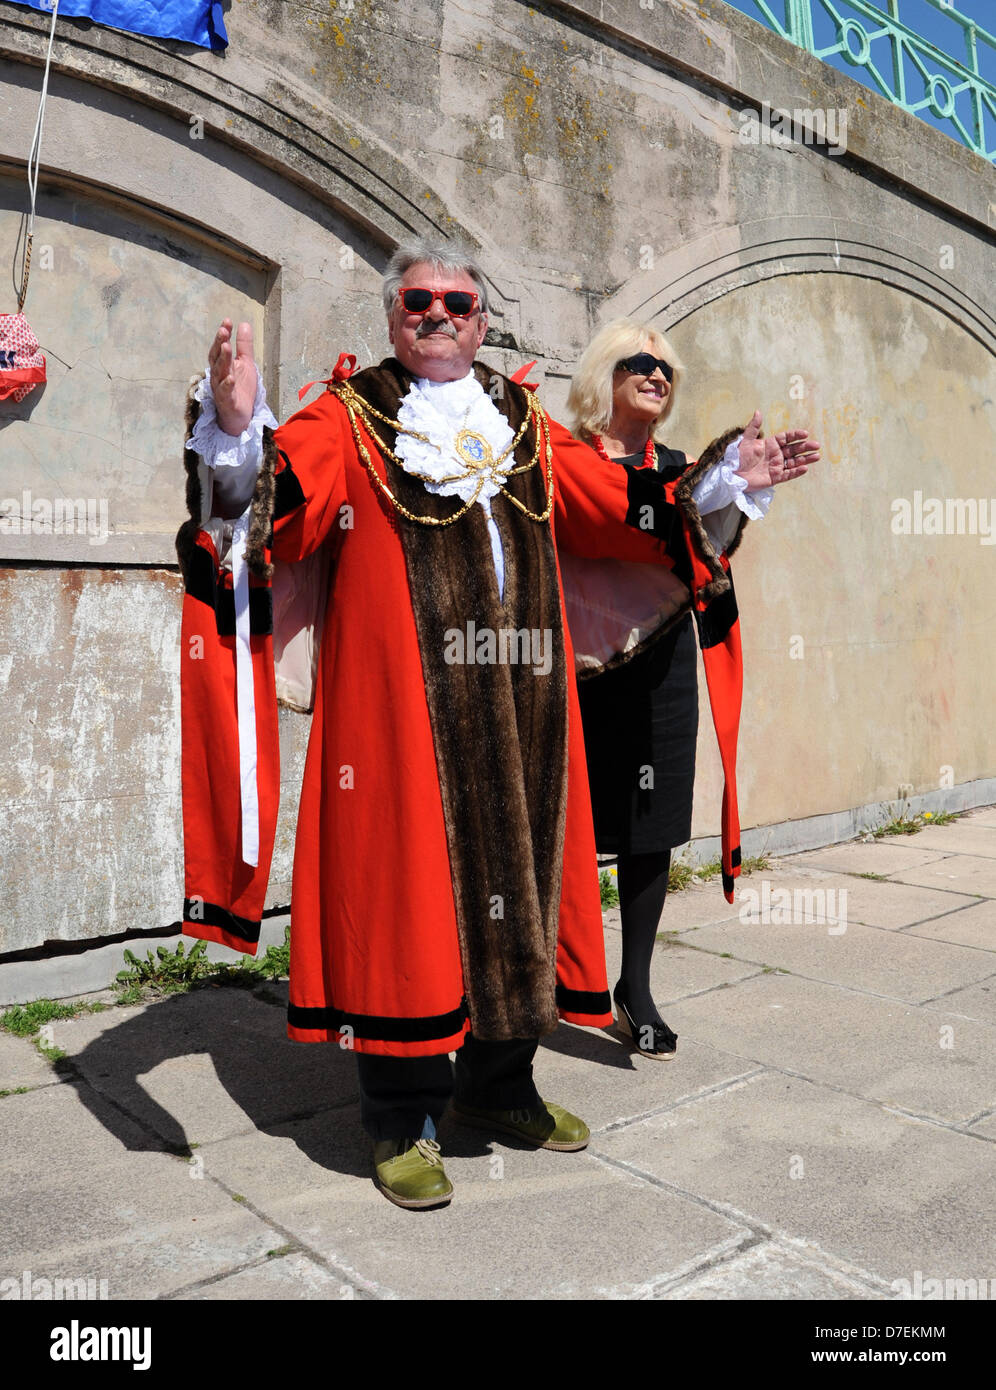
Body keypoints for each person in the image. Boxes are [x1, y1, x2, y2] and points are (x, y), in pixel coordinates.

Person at [176, 242, 735, 1209]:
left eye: (460, 302)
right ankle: (401, 1115)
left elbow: (611, 506)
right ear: (394, 314)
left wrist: (723, 487)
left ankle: (501, 1083)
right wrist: (235, 431)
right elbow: (275, 516)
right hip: (400, 722)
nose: (440, 315)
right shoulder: (347, 417)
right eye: (420, 300)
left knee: (519, 888)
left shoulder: (521, 420)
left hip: (524, 713)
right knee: (407, 901)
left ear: (484, 320)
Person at [561, 318, 818, 1057]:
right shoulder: (566, 460)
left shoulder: (681, 466)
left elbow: (706, 537)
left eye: (667, 367)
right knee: (564, 829)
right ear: (601, 375)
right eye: (640, 362)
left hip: (661, 668)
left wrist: (738, 486)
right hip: (575, 670)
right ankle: (556, 974)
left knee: (652, 827)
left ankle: (634, 988)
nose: (657, 374)